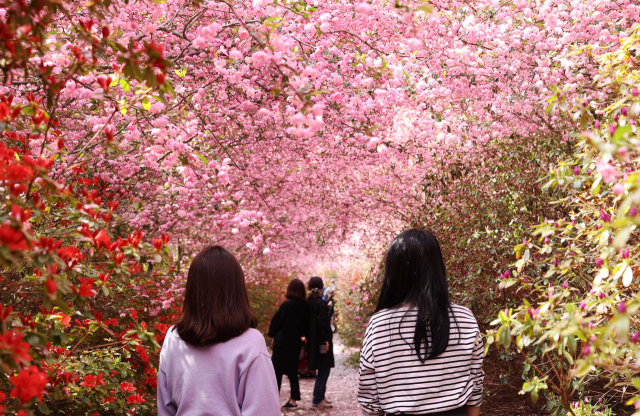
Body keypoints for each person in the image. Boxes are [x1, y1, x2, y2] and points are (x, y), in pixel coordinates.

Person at [357, 229, 484, 416]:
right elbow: (476, 384)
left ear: (394, 272)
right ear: (438, 267)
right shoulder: (464, 318)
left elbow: (368, 392)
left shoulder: (380, 324)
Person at [157, 246, 281, 416]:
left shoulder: (173, 337)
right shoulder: (251, 342)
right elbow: (264, 411)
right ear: (236, 290)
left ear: (193, 289)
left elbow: (165, 408)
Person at [268, 278, 308, 409]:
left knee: (276, 373)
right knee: (292, 372)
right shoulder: (305, 307)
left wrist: (272, 335)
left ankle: (273, 400)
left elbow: (277, 322)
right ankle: (293, 400)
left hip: (282, 343)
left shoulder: (287, 305)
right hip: (295, 343)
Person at [306, 276, 335, 409]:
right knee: (324, 368)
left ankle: (320, 397)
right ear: (321, 287)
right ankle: (317, 399)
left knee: (322, 368)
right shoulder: (321, 304)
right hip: (323, 343)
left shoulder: (308, 303)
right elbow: (323, 325)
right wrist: (327, 341)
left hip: (312, 342)